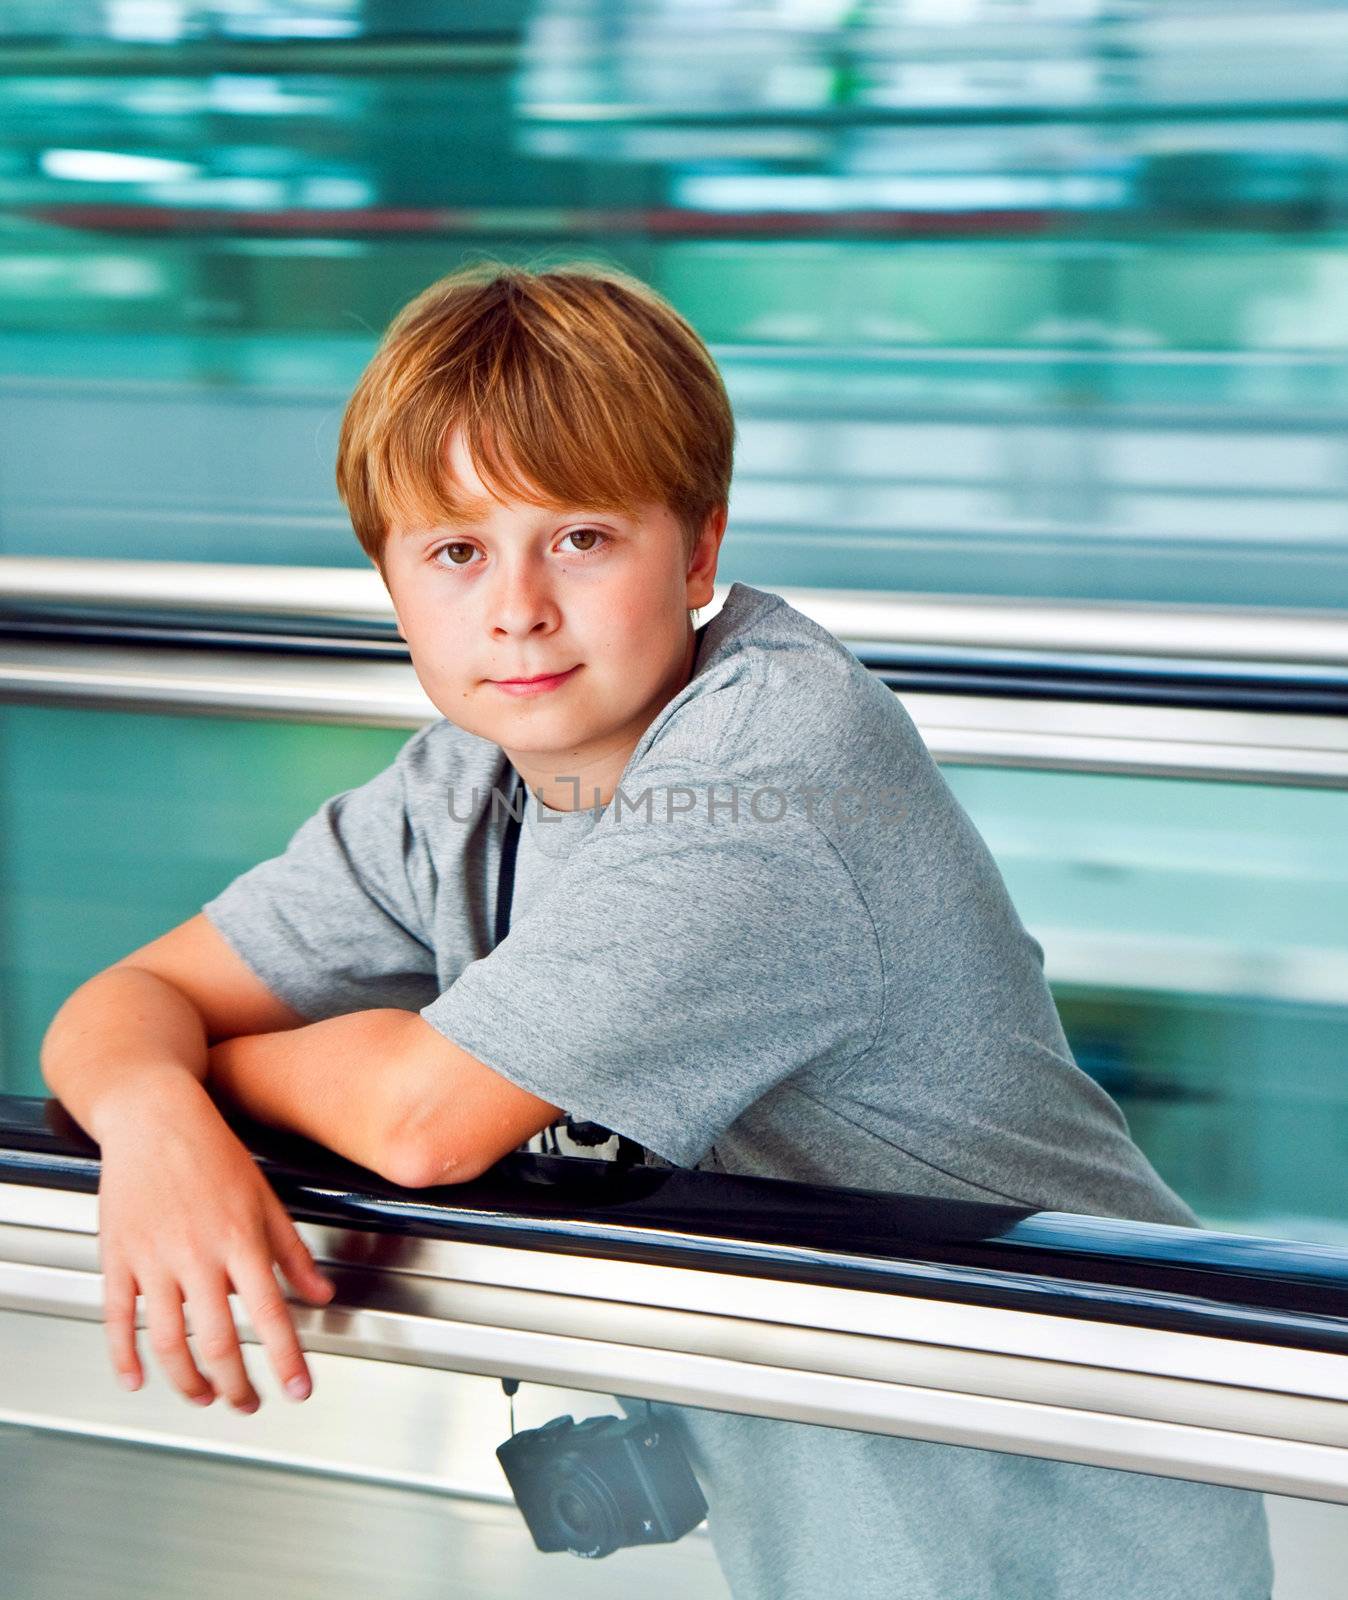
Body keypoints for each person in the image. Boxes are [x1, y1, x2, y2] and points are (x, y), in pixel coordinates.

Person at [40, 260, 1273, 1598]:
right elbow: (126, 996)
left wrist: (214, 1065)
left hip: (1065, 1507)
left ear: (699, 548)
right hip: (831, 1501)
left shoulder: (774, 767)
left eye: (579, 537)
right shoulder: (465, 786)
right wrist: (159, 1125)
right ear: (391, 587)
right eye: (456, 551)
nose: (515, 607)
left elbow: (420, 1122)